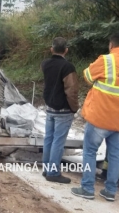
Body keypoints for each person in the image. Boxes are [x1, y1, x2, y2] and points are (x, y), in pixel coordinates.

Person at [71, 32, 119, 201]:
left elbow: (87, 75)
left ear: (111, 45)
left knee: (90, 152)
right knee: (114, 155)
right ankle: (110, 191)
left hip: (100, 118)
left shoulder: (106, 60)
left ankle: (87, 188)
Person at [41, 37, 79, 183]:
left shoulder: (45, 64)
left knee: (48, 139)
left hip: (50, 107)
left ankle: (46, 169)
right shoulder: (68, 67)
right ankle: (53, 172)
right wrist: (74, 107)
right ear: (66, 50)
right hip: (63, 109)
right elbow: (72, 90)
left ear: (52, 49)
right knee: (58, 141)